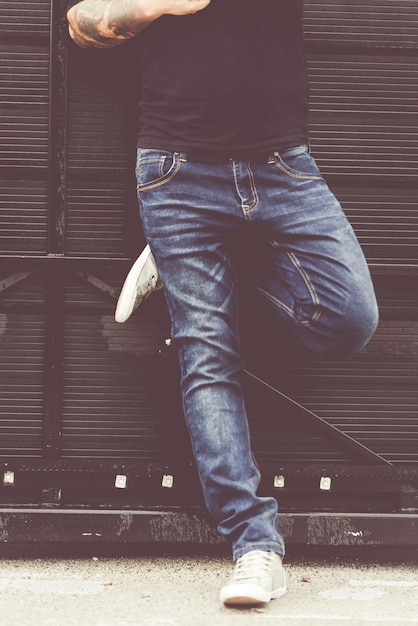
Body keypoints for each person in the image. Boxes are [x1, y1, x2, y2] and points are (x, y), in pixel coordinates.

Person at [67, 0, 379, 607]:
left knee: (349, 320)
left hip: (281, 162)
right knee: (207, 355)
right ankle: (254, 547)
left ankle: (198, 257)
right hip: (176, 172)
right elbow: (80, 24)